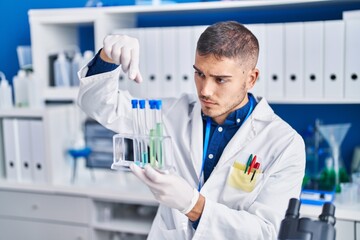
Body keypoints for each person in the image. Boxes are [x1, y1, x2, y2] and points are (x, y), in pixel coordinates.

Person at [78, 21, 305, 239]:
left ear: (251, 79)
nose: (205, 90)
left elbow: (268, 232)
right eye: (200, 74)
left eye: (220, 80)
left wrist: (193, 206)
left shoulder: (284, 144)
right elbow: (100, 106)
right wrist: (107, 58)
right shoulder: (174, 113)